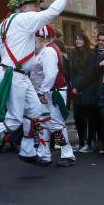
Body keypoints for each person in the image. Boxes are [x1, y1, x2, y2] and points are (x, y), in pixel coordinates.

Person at [0, 0, 72, 175]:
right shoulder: (30, 31)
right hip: (39, 88)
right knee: (48, 122)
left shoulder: (46, 50)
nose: (37, 8)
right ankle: (53, 152)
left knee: (50, 121)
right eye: (34, 5)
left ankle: (62, 152)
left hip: (50, 92)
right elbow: (49, 74)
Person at [32, 25, 76, 166]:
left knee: (57, 125)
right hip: (46, 93)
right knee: (43, 124)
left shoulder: (49, 51)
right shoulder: (44, 50)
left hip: (51, 93)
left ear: (40, 38)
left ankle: (67, 154)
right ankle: (44, 154)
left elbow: (51, 74)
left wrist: (42, 91)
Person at [70, 30, 98, 152]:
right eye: (76, 39)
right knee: (78, 118)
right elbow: (71, 72)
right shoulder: (74, 54)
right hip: (76, 89)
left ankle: (89, 143)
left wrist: (79, 88)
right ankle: (81, 142)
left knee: (90, 118)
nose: (78, 41)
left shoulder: (91, 54)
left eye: (80, 39)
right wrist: (73, 87)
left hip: (88, 89)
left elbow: (91, 74)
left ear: (85, 40)